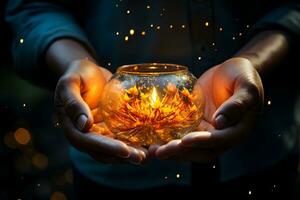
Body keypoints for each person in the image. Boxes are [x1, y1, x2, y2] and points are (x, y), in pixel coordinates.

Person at [5, 0, 300, 198]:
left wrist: (254, 61)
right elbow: (32, 6)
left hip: (260, 156)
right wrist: (74, 63)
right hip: (113, 179)